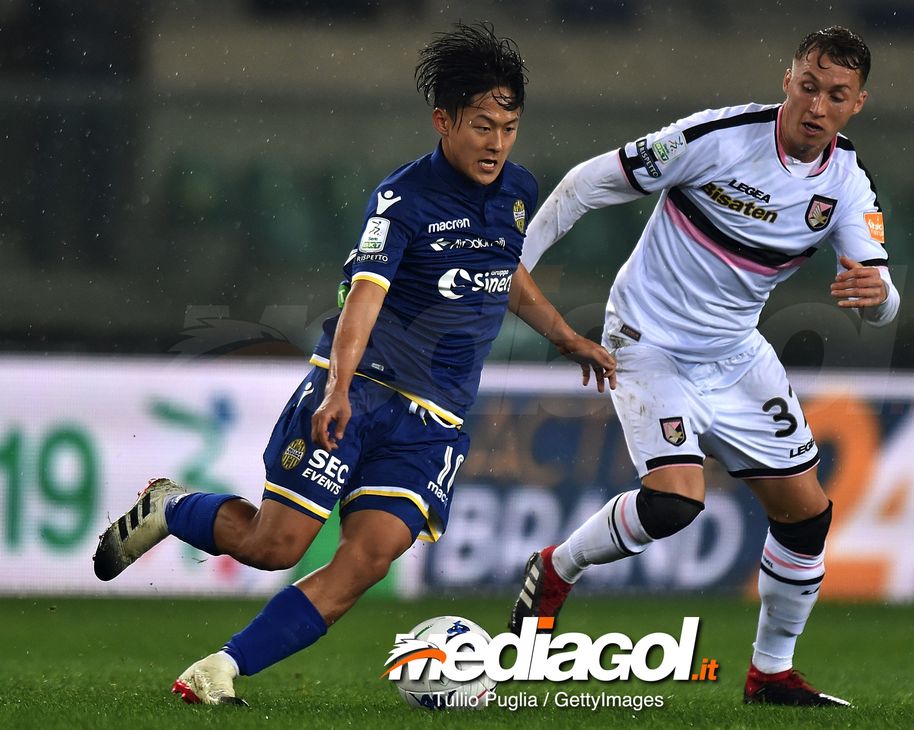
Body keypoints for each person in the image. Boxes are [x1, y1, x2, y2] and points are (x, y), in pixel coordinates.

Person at [93, 22, 615, 706]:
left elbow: (505, 272)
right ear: (443, 120)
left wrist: (564, 335)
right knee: (275, 547)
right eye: (482, 126)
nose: (496, 143)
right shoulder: (403, 200)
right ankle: (170, 506)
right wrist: (336, 388)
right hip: (360, 393)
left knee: (368, 559)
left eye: (509, 128)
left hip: (435, 423)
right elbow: (365, 297)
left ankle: (221, 668)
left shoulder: (516, 191)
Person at [508, 26, 897, 707]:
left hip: (735, 351)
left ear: (856, 104)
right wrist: (513, 267)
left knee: (806, 518)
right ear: (788, 80)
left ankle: (770, 674)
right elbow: (584, 184)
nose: (816, 105)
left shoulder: (846, 183)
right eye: (808, 86)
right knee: (675, 502)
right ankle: (555, 568)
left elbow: (881, 298)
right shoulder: (716, 139)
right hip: (646, 337)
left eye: (835, 95)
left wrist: (881, 297)